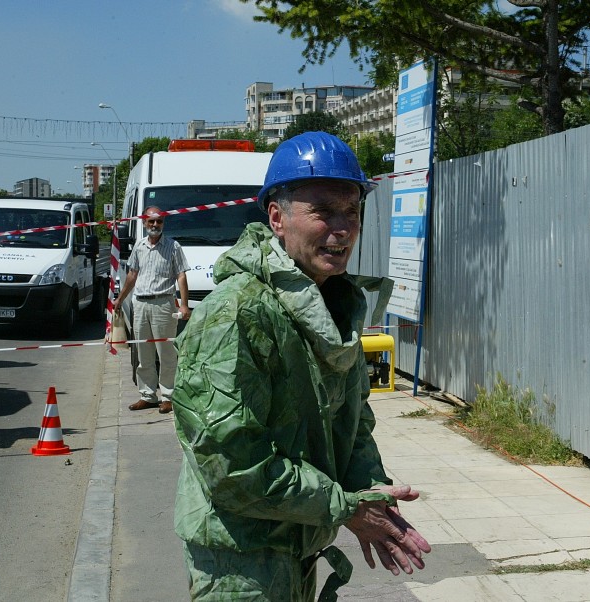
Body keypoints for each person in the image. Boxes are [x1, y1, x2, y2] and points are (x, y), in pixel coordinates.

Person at [171, 131, 431, 601]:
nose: (343, 227)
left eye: (351, 211)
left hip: (297, 544)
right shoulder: (236, 314)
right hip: (241, 561)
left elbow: (351, 423)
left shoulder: (329, 306)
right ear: (277, 218)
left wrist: (370, 494)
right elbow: (232, 465)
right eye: (323, 211)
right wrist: (345, 508)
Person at [114, 206, 191, 414]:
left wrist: (184, 304)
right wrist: (120, 300)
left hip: (163, 304)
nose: (155, 225)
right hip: (140, 303)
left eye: (159, 222)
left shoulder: (173, 247)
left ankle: (168, 396)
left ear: (163, 223)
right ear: (144, 223)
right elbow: (132, 274)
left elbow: (181, 276)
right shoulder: (139, 246)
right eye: (151, 222)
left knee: (166, 353)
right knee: (143, 353)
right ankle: (147, 395)